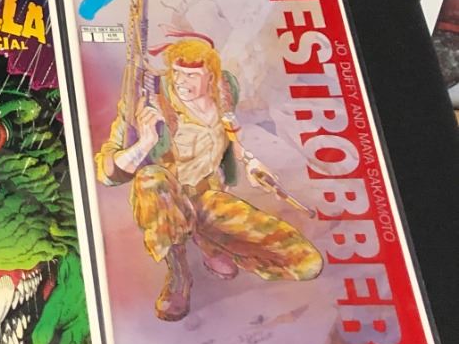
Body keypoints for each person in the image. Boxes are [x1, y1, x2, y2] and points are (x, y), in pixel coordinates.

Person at [95, 35, 322, 321]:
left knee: (306, 263)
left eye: (191, 75)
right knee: (151, 179)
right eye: (176, 73)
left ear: (211, 76)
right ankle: (178, 270)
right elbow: (107, 172)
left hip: (209, 199)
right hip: (168, 202)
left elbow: (229, 133)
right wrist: (145, 142)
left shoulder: (225, 89)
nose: (181, 82)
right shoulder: (147, 101)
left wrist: (249, 162)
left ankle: (209, 240)